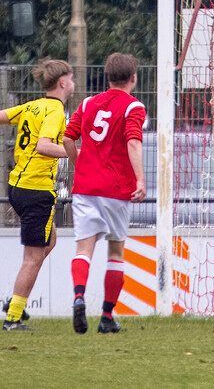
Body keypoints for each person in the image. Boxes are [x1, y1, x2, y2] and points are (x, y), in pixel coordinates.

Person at [0, 59, 74, 330]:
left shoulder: (33, 106)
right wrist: (76, 154)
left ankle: (15, 302)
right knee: (33, 257)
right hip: (35, 190)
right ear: (63, 82)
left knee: (48, 243)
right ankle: (13, 317)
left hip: (17, 186)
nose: (73, 83)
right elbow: (43, 146)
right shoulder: (54, 110)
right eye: (72, 78)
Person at [63, 52, 147, 335]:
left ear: (107, 76)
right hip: (115, 189)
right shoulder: (133, 107)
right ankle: (107, 316)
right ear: (133, 78)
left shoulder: (88, 103)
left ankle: (78, 297)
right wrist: (141, 179)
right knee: (116, 251)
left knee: (83, 249)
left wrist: (79, 163)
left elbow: (67, 137)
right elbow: (133, 141)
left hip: (85, 188)